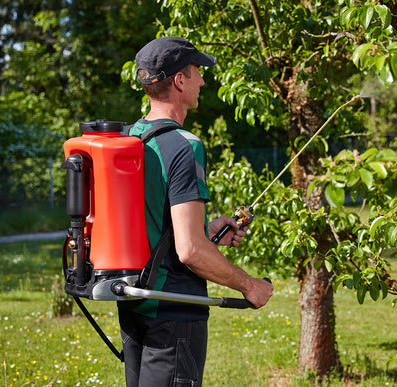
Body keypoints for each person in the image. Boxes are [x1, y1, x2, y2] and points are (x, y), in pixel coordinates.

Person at [118, 36, 274, 387]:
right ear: (179, 80)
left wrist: (208, 226)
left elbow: (155, 218)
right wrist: (250, 285)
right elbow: (190, 252)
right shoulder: (184, 146)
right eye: (197, 72)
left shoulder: (132, 138)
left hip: (134, 303)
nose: (203, 80)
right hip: (173, 311)